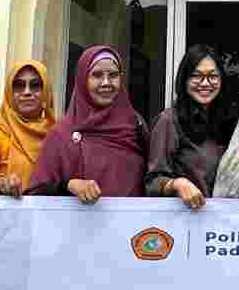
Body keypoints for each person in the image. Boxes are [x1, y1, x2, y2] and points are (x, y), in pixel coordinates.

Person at [27, 46, 148, 201]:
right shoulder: (62, 134)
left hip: (132, 217)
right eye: (97, 75)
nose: (106, 82)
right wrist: (69, 185)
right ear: (83, 80)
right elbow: (37, 192)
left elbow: (151, 181)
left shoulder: (135, 125)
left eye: (113, 75)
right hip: (76, 218)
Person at [146, 44, 236, 211]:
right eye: (196, 76)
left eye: (213, 76)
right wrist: (177, 184)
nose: (205, 83)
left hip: (224, 219)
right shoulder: (169, 120)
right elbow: (152, 183)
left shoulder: (227, 121)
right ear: (184, 79)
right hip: (186, 217)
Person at [0, 59, 56, 196]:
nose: (27, 92)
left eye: (35, 85)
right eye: (19, 85)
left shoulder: (58, 135)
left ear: (46, 92)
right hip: (5, 210)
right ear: (9, 92)